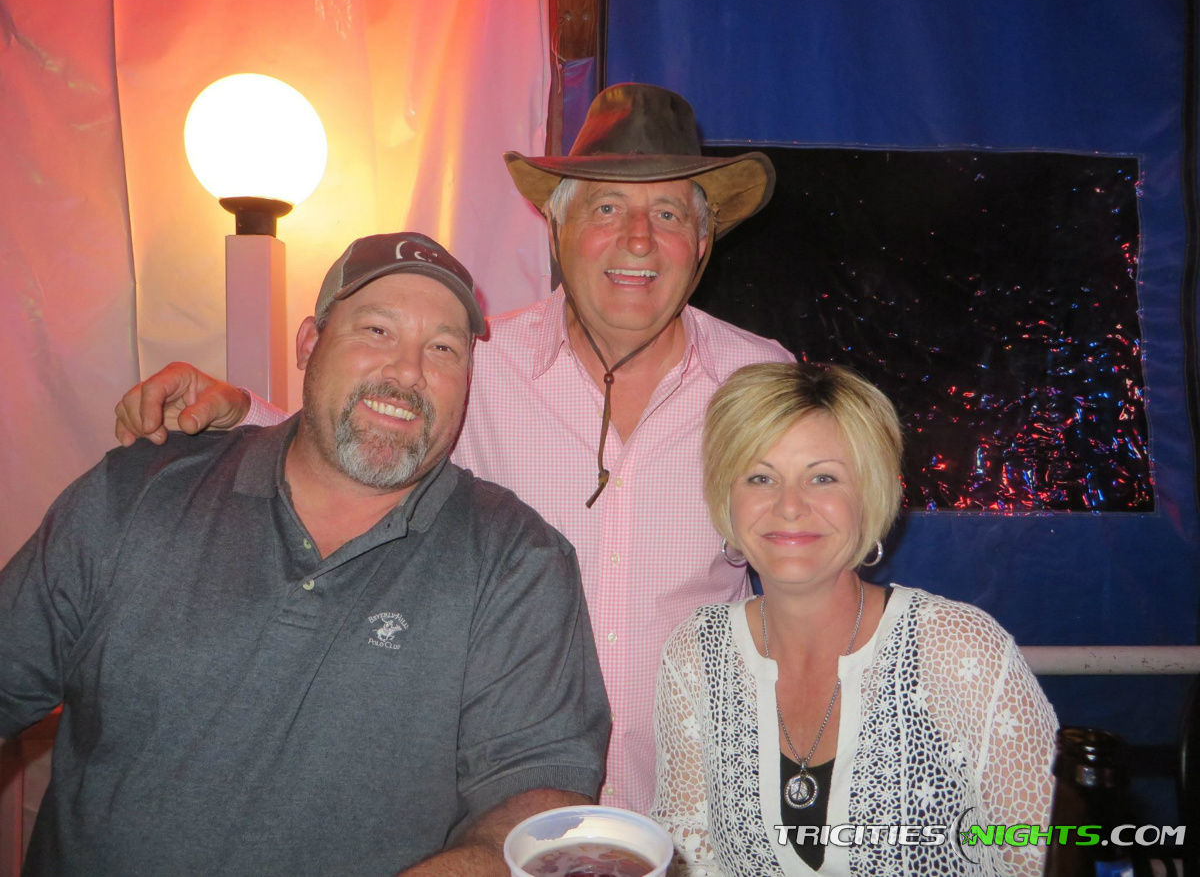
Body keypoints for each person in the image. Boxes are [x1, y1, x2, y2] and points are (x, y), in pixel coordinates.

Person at [112, 83, 795, 813]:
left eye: (668, 213)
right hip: (496, 812)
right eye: (605, 208)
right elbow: (354, 450)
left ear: (702, 241)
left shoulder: (762, 381)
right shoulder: (471, 364)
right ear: (556, 226)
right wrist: (241, 412)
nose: (637, 238)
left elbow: (810, 571)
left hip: (694, 815)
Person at [1, 232, 610, 877]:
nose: (407, 371)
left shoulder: (517, 560)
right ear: (308, 342)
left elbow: (536, 803)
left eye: (442, 348)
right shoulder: (139, 492)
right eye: (376, 330)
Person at [652, 362, 1057, 876]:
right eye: (760, 477)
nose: (789, 506)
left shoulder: (958, 649)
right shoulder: (697, 652)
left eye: (823, 477)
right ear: (725, 497)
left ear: (870, 495)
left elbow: (1044, 860)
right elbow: (691, 860)